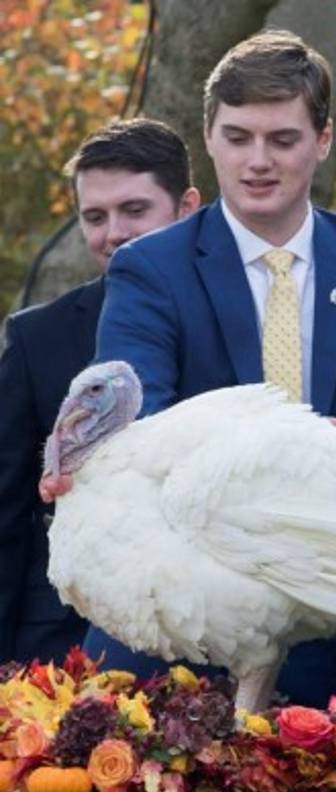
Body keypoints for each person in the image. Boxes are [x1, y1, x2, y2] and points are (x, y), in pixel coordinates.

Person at [83, 30, 336, 706]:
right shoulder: (149, 271)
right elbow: (139, 440)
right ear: (209, 138)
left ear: (324, 139)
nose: (257, 161)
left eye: (281, 139)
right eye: (238, 136)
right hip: (185, 643)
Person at [0, 119, 200, 664]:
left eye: (135, 210)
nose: (114, 232)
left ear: (186, 207)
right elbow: (7, 509)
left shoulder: (236, 314)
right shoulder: (36, 337)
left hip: (214, 627)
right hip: (64, 641)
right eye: (95, 217)